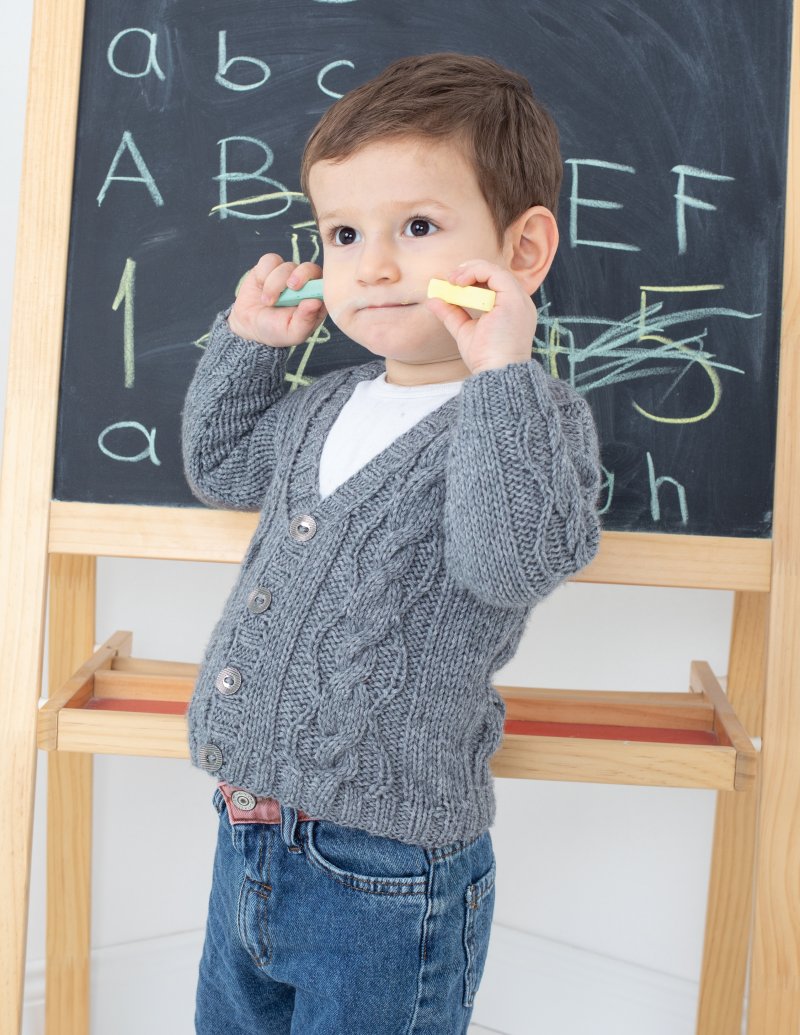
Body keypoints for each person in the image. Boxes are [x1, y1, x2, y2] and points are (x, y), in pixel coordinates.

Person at [183, 52, 602, 1035]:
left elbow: (508, 560)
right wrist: (249, 344)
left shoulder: (529, 417)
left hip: (383, 869)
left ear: (523, 249)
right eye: (343, 234)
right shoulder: (323, 403)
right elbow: (220, 466)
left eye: (415, 227)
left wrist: (501, 371)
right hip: (247, 837)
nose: (370, 266)